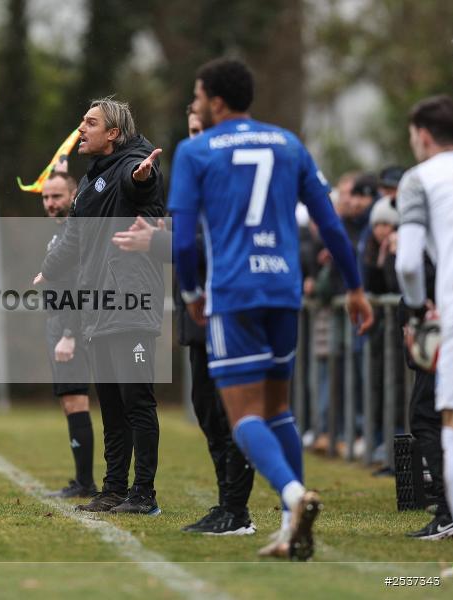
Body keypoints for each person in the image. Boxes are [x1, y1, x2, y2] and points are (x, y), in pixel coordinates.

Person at [170, 58, 373, 560]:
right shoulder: (288, 143)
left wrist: (192, 293)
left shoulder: (195, 150)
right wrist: (355, 287)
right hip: (284, 290)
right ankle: (290, 528)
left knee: (243, 417)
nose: (195, 104)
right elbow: (327, 223)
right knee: (279, 408)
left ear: (215, 101)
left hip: (234, 294)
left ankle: (292, 494)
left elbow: (181, 242)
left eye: (198, 96)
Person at [112, 107, 256, 535]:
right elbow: (188, 242)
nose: (196, 138)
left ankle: (239, 509)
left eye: (203, 129)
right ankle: (228, 506)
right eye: (191, 130)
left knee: (232, 414)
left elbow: (210, 247)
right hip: (197, 312)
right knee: (207, 410)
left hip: (227, 309)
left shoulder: (235, 182)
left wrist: (157, 241)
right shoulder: (196, 178)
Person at [34, 96, 165, 515]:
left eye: (90, 123)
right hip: (98, 309)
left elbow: (138, 180)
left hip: (131, 305)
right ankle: (112, 488)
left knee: (136, 401)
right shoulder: (90, 181)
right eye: (82, 121)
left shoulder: (134, 162)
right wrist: (50, 270)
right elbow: (72, 238)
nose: (81, 129)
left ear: (113, 133)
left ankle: (144, 493)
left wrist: (144, 178)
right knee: (110, 404)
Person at [394, 95, 453, 557]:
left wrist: (416, 313)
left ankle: (449, 514)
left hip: (449, 313)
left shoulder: (420, 179)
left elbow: (410, 263)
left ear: (423, 134)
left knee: (440, 416)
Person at [40, 171, 97, 498]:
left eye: (57, 197)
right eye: (46, 198)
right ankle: (83, 481)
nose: (50, 204)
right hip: (58, 322)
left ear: (74, 196)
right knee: (69, 402)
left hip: (69, 325)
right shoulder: (60, 234)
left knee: (76, 400)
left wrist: (69, 333)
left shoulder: (75, 236)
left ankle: (86, 483)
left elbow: (80, 285)